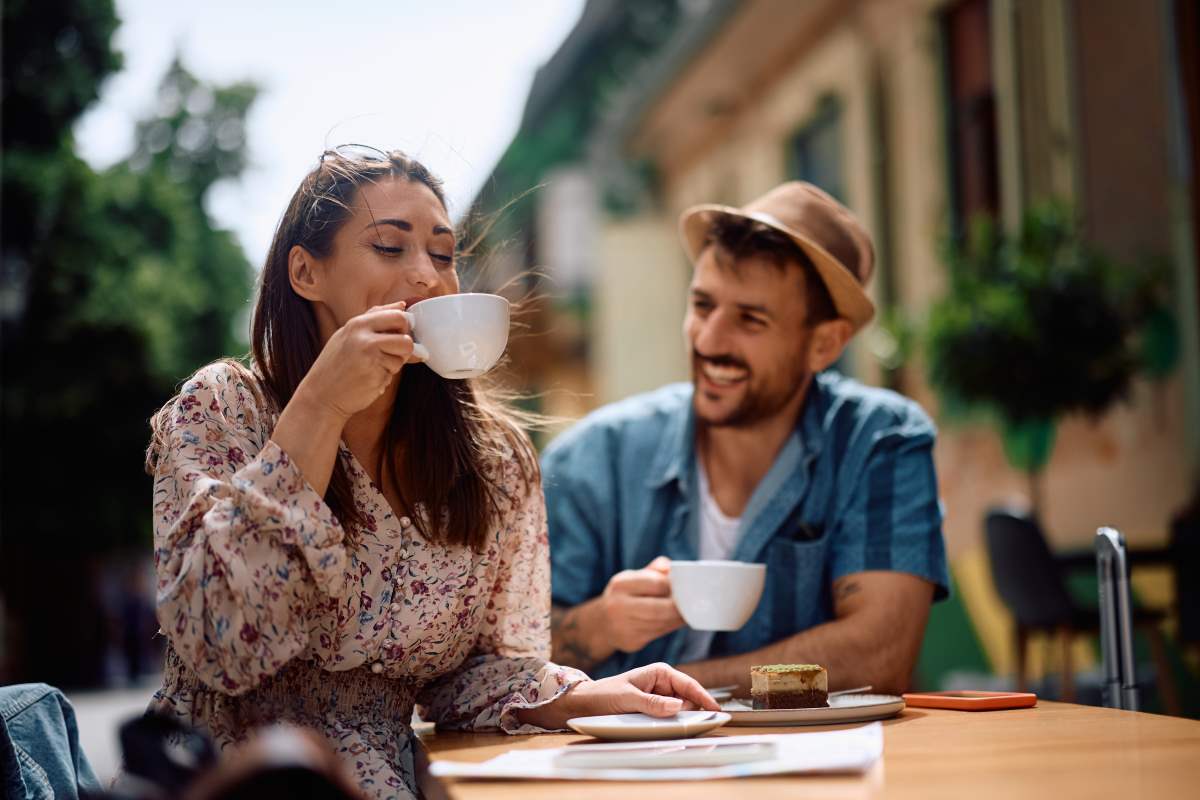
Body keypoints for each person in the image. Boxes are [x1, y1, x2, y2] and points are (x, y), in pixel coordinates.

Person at [144, 146, 716, 800]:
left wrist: (578, 697)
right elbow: (220, 645)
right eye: (390, 248)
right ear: (306, 272)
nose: (426, 276)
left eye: (443, 255)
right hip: (228, 780)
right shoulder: (222, 409)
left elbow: (478, 674)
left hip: (390, 781)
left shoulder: (490, 460)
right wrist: (321, 408)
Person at [544, 182, 949, 694]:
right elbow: (506, 659)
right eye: (703, 305)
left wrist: (671, 688)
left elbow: (878, 655)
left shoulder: (879, 441)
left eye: (750, 320)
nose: (710, 340)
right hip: (624, 769)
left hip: (819, 764)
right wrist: (600, 624)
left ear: (824, 344)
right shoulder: (589, 459)